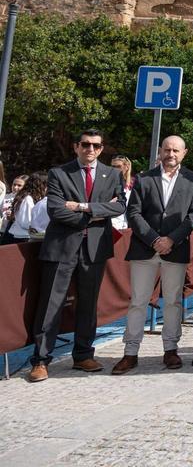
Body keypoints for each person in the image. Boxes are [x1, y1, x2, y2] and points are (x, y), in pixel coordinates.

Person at [27, 129, 125, 383]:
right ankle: (40, 360)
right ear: (76, 147)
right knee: (51, 304)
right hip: (61, 247)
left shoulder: (112, 174)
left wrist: (83, 207)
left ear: (102, 149)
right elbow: (56, 210)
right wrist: (95, 215)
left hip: (95, 249)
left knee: (88, 304)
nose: (90, 149)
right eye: (85, 144)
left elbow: (120, 206)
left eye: (96, 145)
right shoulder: (59, 173)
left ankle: (83, 355)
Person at [112, 136, 193, 374]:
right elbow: (133, 212)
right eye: (167, 150)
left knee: (173, 301)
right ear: (160, 151)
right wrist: (153, 239)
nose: (171, 154)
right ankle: (130, 352)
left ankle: (170, 349)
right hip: (144, 248)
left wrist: (171, 239)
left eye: (176, 150)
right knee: (138, 301)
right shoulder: (143, 178)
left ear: (184, 153)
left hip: (175, 248)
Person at [0, 174, 37, 245]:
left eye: (19, 185)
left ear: (25, 186)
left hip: (19, 233)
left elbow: (28, 218)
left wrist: (14, 216)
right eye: (14, 184)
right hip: (3, 230)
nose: (15, 187)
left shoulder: (28, 199)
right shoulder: (5, 197)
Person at [109, 154, 134, 231]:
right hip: (112, 222)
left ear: (126, 167)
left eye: (118, 166)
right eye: (113, 166)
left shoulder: (134, 183)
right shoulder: (108, 182)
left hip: (128, 224)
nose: (115, 169)